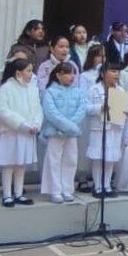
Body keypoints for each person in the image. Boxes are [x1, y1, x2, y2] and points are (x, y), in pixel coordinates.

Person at [0, 59, 43, 207]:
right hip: (11, 132)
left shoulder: (32, 89)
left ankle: (19, 193)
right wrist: (22, 124)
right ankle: (7, 195)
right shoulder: (6, 88)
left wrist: (36, 123)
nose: (31, 74)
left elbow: (38, 108)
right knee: (9, 164)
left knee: (21, 164)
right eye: (28, 71)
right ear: (18, 73)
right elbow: (1, 110)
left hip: (27, 132)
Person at [39, 61, 87, 203]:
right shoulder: (50, 92)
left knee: (70, 160)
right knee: (54, 161)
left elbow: (81, 110)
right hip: (55, 132)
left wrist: (70, 127)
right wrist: (65, 126)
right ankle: (55, 190)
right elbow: (51, 113)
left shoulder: (78, 92)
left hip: (71, 133)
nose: (72, 76)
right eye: (68, 73)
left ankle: (67, 189)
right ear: (59, 75)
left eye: (74, 74)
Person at [85, 64, 124, 197]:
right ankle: (98, 186)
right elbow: (87, 108)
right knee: (98, 157)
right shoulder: (94, 90)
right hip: (99, 128)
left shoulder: (120, 90)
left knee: (110, 157)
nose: (116, 74)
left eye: (117, 71)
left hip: (114, 128)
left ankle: (107, 185)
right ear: (103, 74)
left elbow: (123, 109)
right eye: (113, 71)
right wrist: (99, 108)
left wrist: (124, 112)